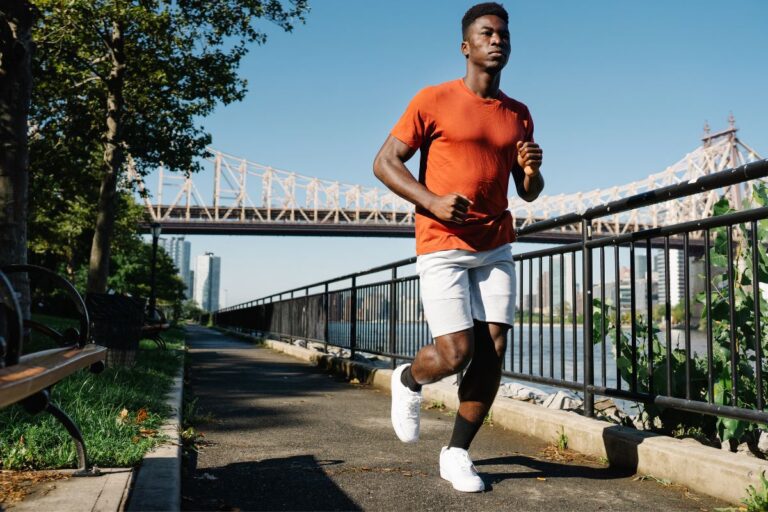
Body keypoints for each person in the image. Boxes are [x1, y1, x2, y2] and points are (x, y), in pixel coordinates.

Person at [372, 2, 544, 493]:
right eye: (487, 33)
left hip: (495, 243)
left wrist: (531, 172)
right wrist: (431, 201)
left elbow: (529, 192)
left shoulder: (518, 114)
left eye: (504, 34)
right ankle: (408, 380)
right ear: (466, 46)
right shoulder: (433, 99)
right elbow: (384, 162)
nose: (497, 40)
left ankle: (456, 454)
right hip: (442, 241)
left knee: (494, 348)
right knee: (455, 353)